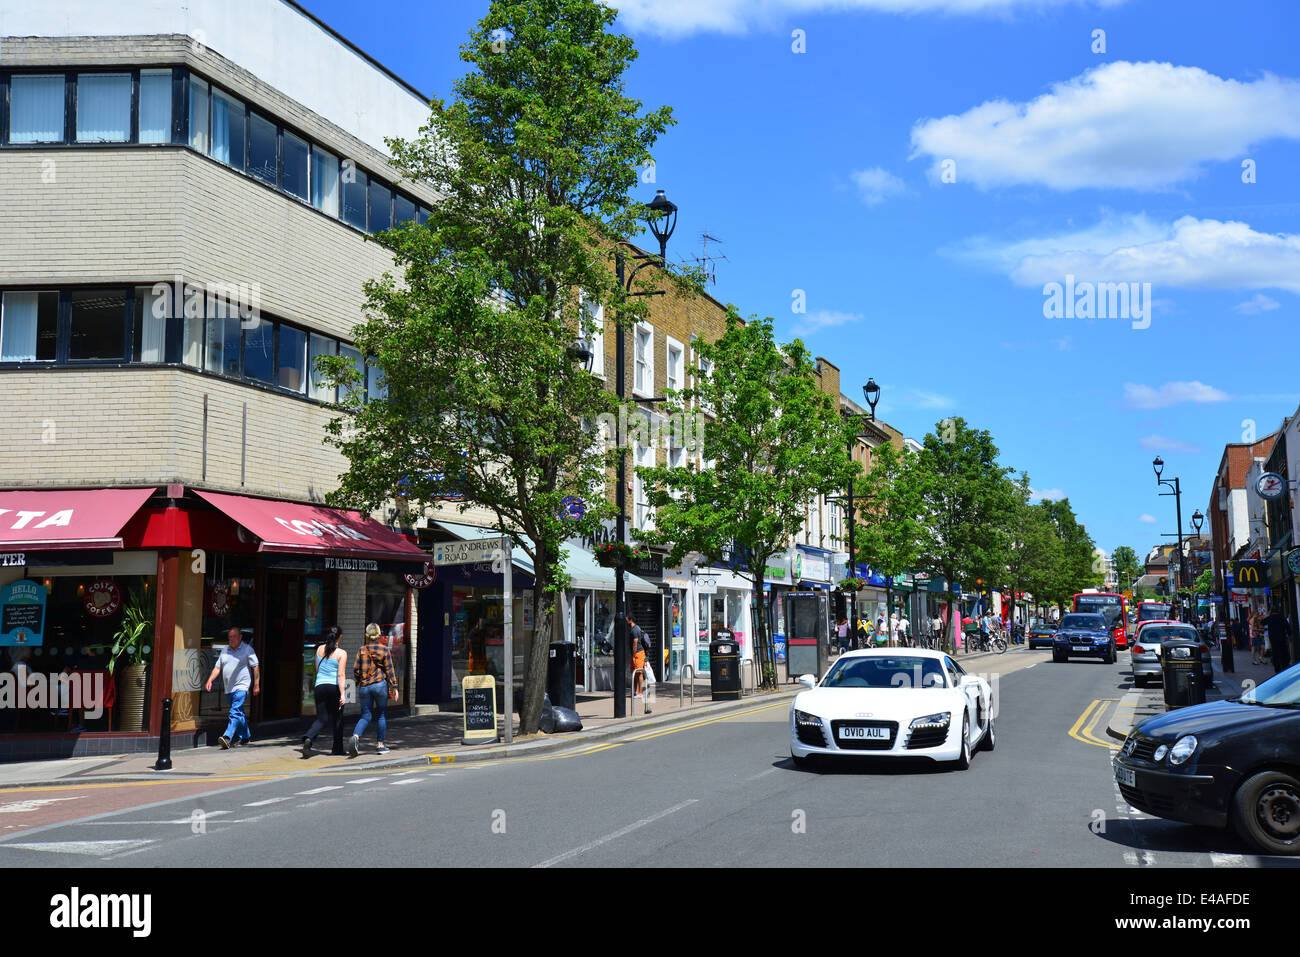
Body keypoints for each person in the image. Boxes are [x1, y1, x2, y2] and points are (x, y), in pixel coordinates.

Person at [204, 627, 259, 749]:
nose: (231, 639)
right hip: (229, 688)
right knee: (239, 713)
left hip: (242, 686)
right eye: (230, 637)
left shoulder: (247, 649)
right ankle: (245, 736)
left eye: (234, 636)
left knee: (234, 712)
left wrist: (256, 684)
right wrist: (210, 680)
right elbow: (218, 667)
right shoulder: (225, 650)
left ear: (240, 637)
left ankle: (227, 737)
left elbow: (255, 666)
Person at [349, 623, 399, 756]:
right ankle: (380, 745)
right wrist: (394, 687)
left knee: (365, 715)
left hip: (365, 686)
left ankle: (356, 736)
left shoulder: (362, 650)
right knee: (381, 715)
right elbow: (390, 670)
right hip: (379, 685)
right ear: (378, 633)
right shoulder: (384, 650)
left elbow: (355, 670)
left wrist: (360, 681)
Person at [301, 625, 348, 756]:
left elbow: (317, 669)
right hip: (333, 687)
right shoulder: (341, 653)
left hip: (320, 686)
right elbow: (341, 675)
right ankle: (337, 749)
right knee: (338, 718)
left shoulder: (320, 649)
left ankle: (309, 737)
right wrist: (343, 694)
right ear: (340, 637)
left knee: (322, 718)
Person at [628, 615, 651, 708]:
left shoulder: (635, 629)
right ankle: (637, 691)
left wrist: (633, 655)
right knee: (635, 673)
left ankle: (640, 692)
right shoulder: (634, 628)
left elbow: (635, 642)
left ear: (630, 620)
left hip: (638, 653)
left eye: (627, 619)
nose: (626, 621)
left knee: (639, 672)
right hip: (636, 653)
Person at [1264, 605, 1293, 675]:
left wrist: (1267, 614)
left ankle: (1277, 669)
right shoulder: (1282, 617)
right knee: (1283, 652)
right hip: (1282, 638)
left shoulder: (1269, 618)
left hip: (1273, 639)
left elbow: (1262, 622)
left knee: (1275, 653)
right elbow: (1288, 627)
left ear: (1271, 611)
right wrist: (1289, 636)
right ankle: (1284, 666)